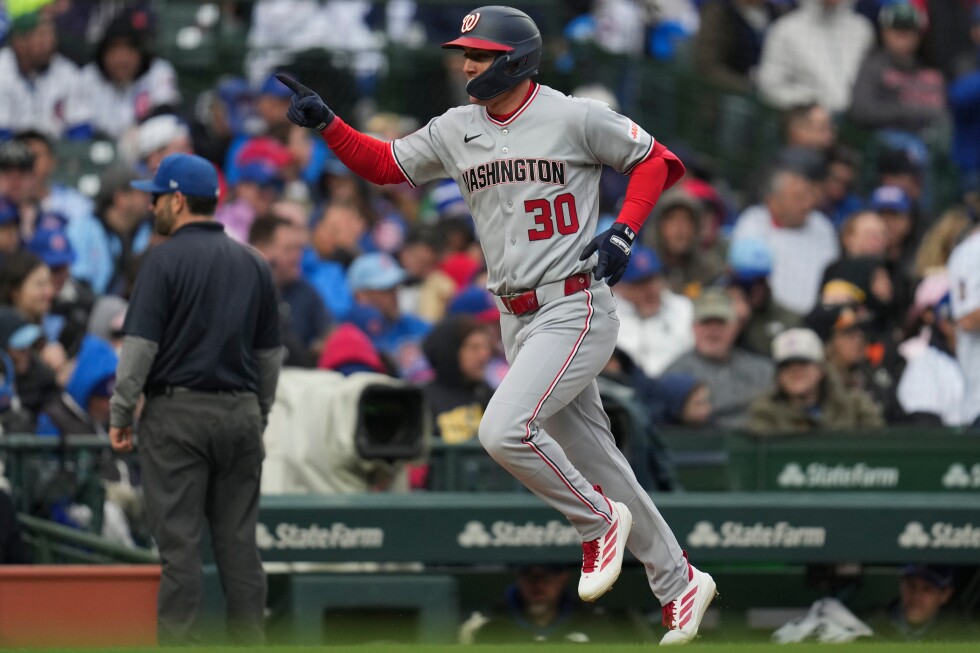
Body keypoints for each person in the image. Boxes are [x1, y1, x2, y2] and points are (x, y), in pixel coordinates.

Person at [278, 6, 716, 643]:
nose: (466, 64)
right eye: (465, 52)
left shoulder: (571, 115)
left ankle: (596, 523)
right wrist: (330, 125)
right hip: (517, 316)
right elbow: (384, 165)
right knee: (602, 459)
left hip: (574, 303)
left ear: (513, 60)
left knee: (503, 431)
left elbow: (656, 161)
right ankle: (679, 584)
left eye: (479, 55)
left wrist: (623, 230)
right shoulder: (458, 127)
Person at [108, 153, 282, 644]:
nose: (151, 204)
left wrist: (121, 413)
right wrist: (257, 413)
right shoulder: (253, 262)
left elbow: (139, 349)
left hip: (176, 414)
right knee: (239, 547)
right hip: (240, 412)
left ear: (178, 200)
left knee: (180, 551)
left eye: (158, 196)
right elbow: (270, 356)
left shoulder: (160, 260)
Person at [664, 288, 774, 429]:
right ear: (694, 327)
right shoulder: (674, 375)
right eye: (706, 323)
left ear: (736, 327)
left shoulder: (762, 370)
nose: (713, 331)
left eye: (720, 323)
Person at [459, 563, 647, 644]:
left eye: (546, 577)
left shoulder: (595, 623)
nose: (537, 585)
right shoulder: (486, 625)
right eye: (530, 577)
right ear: (518, 578)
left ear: (562, 579)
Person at [746, 327, 884, 435]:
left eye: (803, 363)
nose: (795, 371)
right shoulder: (765, 411)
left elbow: (877, 442)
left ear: (821, 369)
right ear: (778, 375)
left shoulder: (853, 404)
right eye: (786, 365)